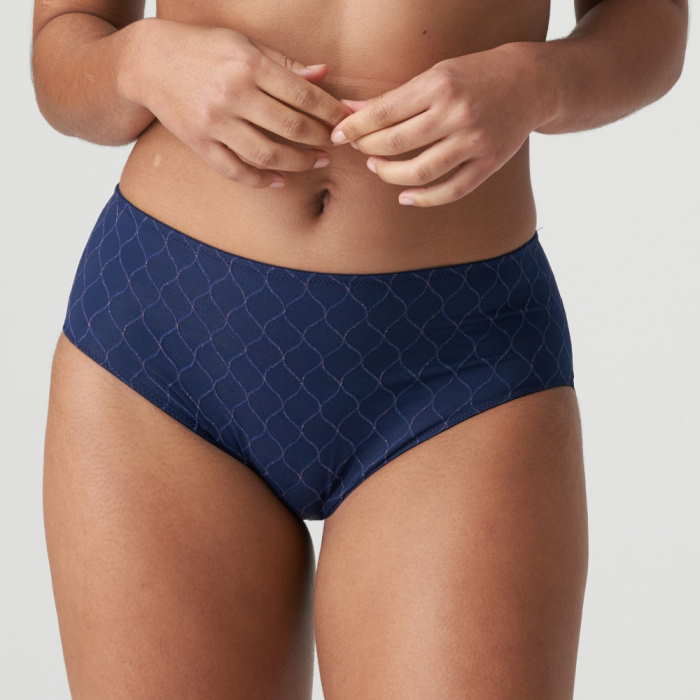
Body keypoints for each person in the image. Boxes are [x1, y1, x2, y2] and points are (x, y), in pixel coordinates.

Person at [32, 0, 688, 697]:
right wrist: (142, 62)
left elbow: (650, 24)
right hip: (168, 353)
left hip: (455, 370)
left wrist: (537, 81)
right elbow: (62, 53)